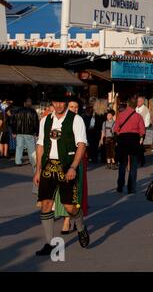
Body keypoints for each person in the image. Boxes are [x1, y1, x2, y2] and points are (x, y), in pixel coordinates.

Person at [33, 88, 89, 256]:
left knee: (70, 208)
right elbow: (40, 144)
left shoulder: (76, 120)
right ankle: (49, 243)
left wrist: (73, 167)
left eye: (61, 102)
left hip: (67, 166)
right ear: (51, 103)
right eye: (55, 102)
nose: (58, 105)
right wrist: (38, 170)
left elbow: (81, 144)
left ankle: (80, 227)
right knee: (45, 204)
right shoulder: (45, 121)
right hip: (49, 166)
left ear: (66, 102)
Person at [53, 97, 89, 235]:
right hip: (62, 160)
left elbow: (83, 143)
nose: (74, 109)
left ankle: (69, 220)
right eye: (72, 107)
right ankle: (69, 218)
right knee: (62, 192)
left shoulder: (79, 120)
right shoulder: (62, 121)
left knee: (75, 192)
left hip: (77, 161)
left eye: (76, 107)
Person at [114, 95, 145, 194]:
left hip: (123, 139)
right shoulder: (138, 116)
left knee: (122, 164)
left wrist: (120, 136)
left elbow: (116, 129)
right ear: (135, 105)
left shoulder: (121, 115)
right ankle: (131, 188)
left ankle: (120, 185)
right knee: (133, 165)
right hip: (134, 140)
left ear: (127, 104)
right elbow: (142, 132)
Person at [12, 98, 39, 168]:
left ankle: (18, 161)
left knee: (19, 147)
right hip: (30, 132)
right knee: (31, 148)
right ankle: (32, 161)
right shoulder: (33, 112)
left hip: (19, 132)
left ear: (24, 103)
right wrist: (37, 132)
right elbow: (36, 123)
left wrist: (14, 131)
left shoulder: (18, 111)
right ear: (31, 104)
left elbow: (14, 122)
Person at [136, 95, 151, 167]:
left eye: (138, 101)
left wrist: (142, 127)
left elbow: (147, 122)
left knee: (140, 145)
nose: (137, 102)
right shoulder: (135, 108)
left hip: (141, 130)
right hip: (135, 130)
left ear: (142, 102)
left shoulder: (146, 110)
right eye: (137, 101)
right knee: (137, 145)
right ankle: (140, 159)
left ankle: (141, 160)